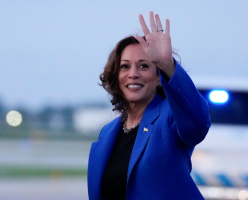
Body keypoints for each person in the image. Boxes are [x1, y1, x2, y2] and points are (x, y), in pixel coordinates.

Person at [87, 11, 211, 200]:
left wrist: (167, 65)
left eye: (144, 66)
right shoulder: (108, 132)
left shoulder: (171, 118)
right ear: (116, 76)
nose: (133, 74)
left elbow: (198, 123)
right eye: (125, 66)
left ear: (158, 78)